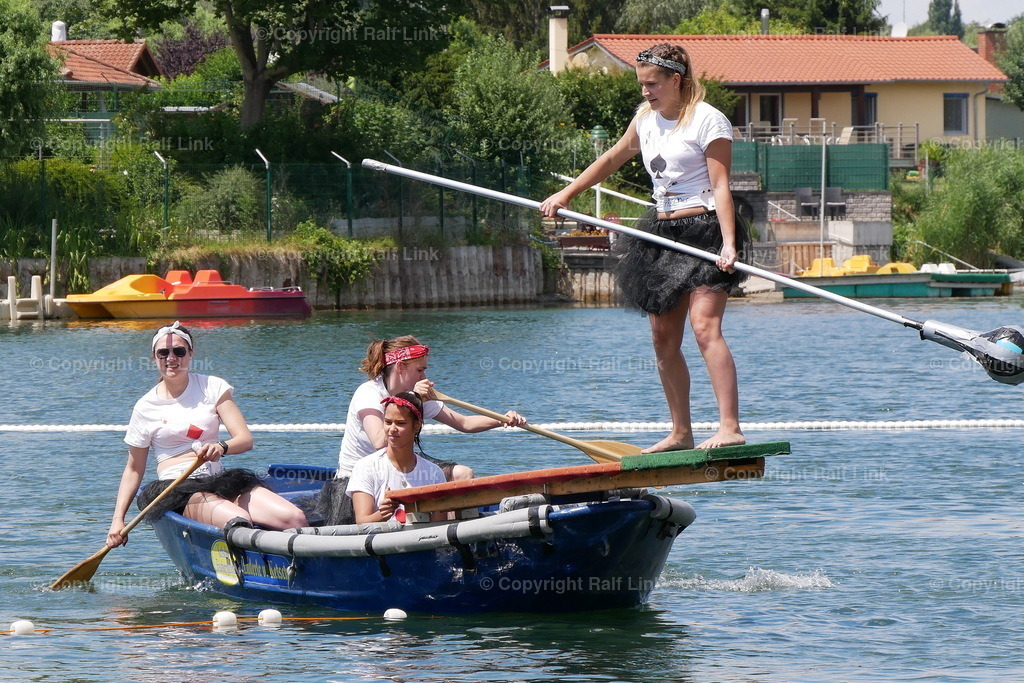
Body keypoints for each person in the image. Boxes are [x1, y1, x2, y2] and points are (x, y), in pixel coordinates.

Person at [540, 43, 751, 453]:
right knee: (661, 338)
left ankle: (730, 427)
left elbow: (722, 186)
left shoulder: (710, 121)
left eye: (652, 84)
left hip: (705, 229)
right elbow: (612, 158)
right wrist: (567, 194)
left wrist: (728, 243)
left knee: (706, 328)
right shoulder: (645, 121)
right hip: (661, 233)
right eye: (641, 85)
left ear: (677, 80)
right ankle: (681, 432)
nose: (646, 92)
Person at [106, 321, 306, 548]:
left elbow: (245, 439)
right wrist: (117, 521)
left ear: (190, 354)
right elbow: (133, 469)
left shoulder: (213, 387)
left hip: (219, 479)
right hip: (177, 488)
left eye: (179, 351)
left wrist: (221, 447)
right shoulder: (145, 407)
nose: (171, 358)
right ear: (154, 357)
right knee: (238, 521)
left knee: (295, 518)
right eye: (163, 352)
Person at [318, 335, 526, 525]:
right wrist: (413, 396)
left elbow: (464, 423)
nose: (425, 376)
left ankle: (454, 541)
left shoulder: (415, 395)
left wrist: (502, 419)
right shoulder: (369, 392)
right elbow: (381, 441)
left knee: (463, 474)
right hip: (365, 476)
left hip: (403, 465)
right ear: (400, 367)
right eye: (419, 370)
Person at [347, 391, 446, 524]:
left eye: (400, 423)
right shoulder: (364, 467)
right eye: (388, 422)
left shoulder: (434, 473)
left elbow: (439, 526)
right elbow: (362, 522)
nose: (392, 429)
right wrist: (383, 514)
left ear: (417, 425)